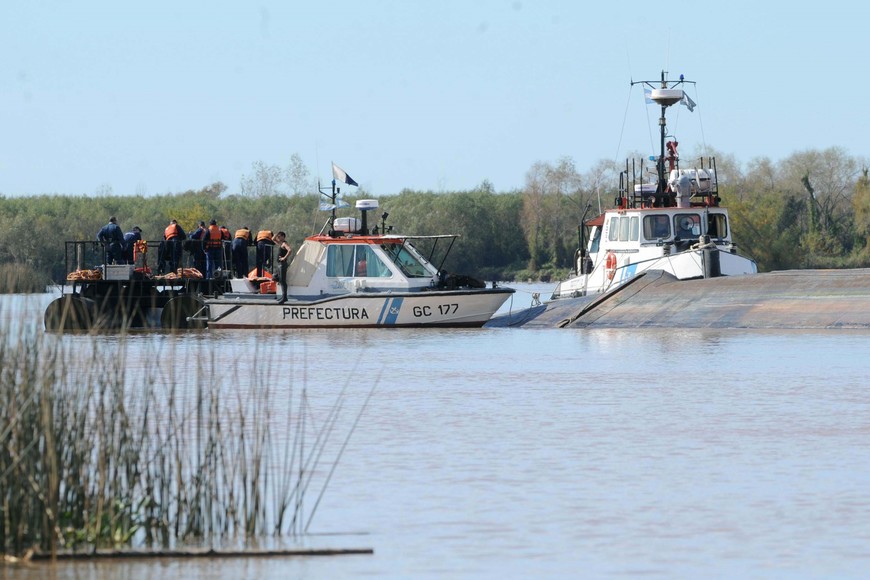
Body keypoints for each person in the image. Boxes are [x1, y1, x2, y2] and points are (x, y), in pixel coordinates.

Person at [274, 231, 293, 304]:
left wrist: (284, 258)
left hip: (282, 264)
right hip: (279, 264)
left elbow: (290, 250)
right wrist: (276, 235)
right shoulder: (281, 243)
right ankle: (283, 296)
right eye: (278, 237)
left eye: (279, 236)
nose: (278, 238)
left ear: (283, 237)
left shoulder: (284, 243)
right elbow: (273, 239)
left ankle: (284, 297)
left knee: (282, 281)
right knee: (276, 278)